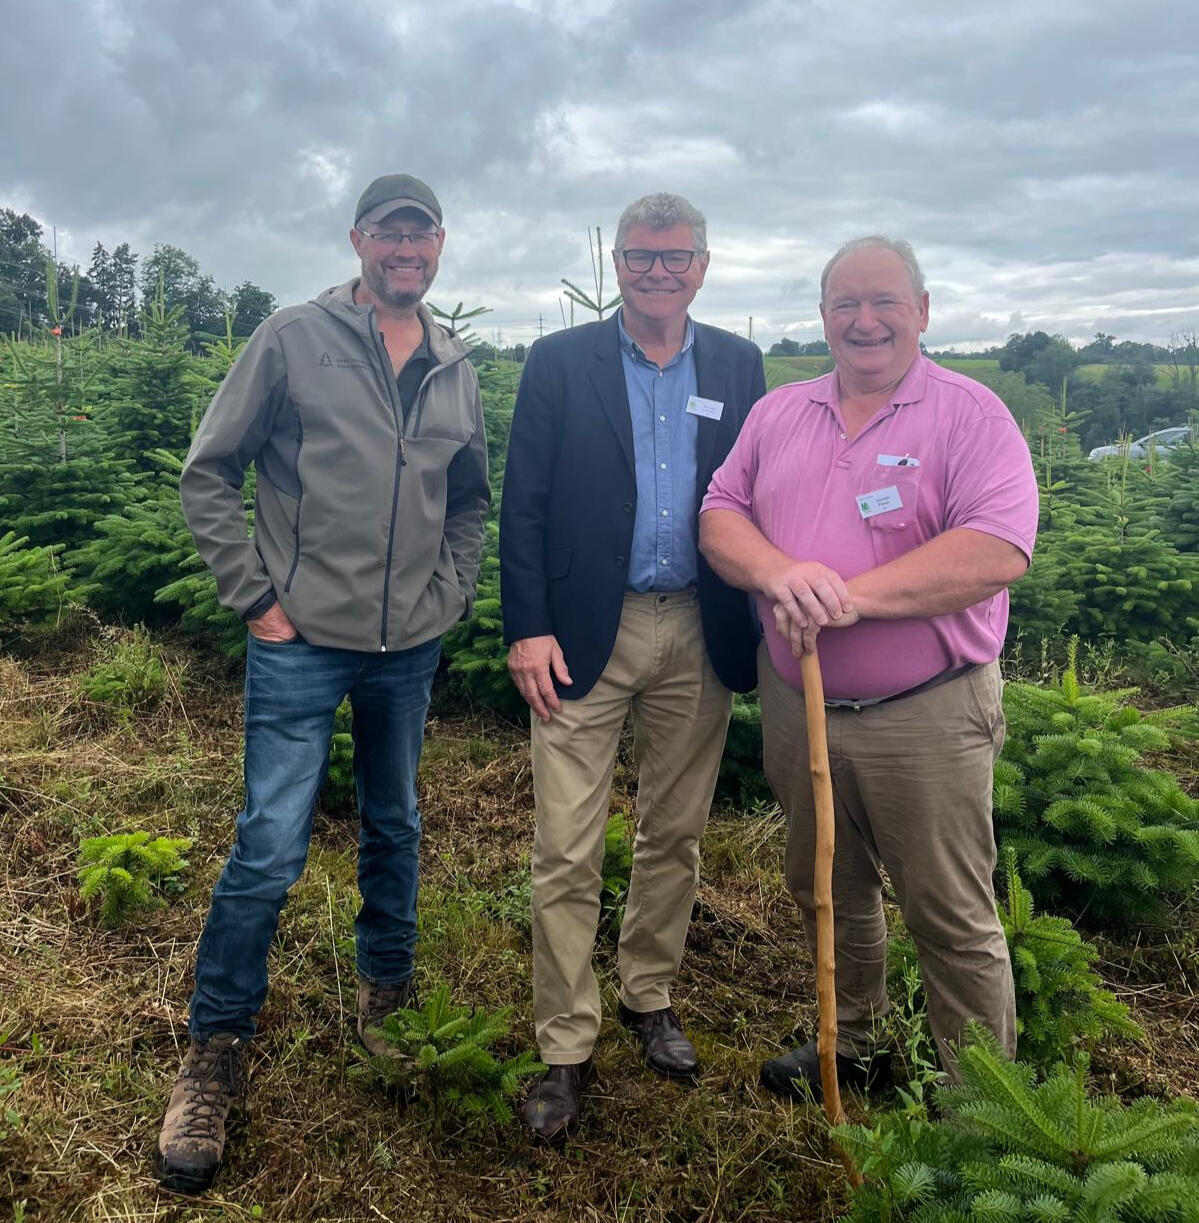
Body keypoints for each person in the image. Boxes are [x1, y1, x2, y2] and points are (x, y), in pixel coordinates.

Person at [154, 174, 489, 1192]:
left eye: (418, 235)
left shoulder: (452, 363)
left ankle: (385, 994)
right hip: (298, 639)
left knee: (395, 820)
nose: (403, 250)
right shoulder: (292, 338)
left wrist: (449, 590)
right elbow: (207, 472)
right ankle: (214, 1048)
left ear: (438, 247)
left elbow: (468, 499)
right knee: (268, 842)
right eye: (386, 233)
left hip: (409, 646)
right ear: (358, 241)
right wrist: (258, 598)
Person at [699, 236, 1038, 1099]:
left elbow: (995, 548)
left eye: (884, 301)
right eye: (844, 304)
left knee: (950, 915)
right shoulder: (780, 412)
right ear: (821, 318)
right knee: (829, 889)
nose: (864, 320)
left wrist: (846, 597)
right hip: (798, 706)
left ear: (921, 311)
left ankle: (981, 1115)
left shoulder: (968, 412)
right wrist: (779, 574)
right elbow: (720, 512)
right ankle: (847, 1048)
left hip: (924, 712)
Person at [500, 192, 766, 1143]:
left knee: (674, 833)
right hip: (581, 630)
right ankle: (565, 1044)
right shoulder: (560, 363)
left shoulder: (737, 364)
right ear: (617, 264)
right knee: (566, 846)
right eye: (640, 258)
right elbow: (520, 502)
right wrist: (525, 625)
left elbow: (756, 493)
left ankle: (648, 993)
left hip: (699, 626)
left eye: (676, 257)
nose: (658, 272)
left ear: (703, 264)